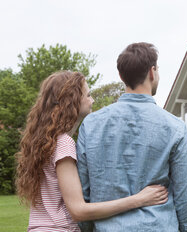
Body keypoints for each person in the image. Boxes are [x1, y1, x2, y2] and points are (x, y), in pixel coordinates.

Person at [15, 71, 168, 232]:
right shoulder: (63, 143)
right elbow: (78, 211)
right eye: (88, 95)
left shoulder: (45, 142)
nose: (92, 100)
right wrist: (139, 199)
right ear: (71, 101)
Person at [77, 42, 187, 231]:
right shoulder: (174, 127)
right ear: (152, 72)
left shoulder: (91, 124)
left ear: (121, 76)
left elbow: (83, 192)